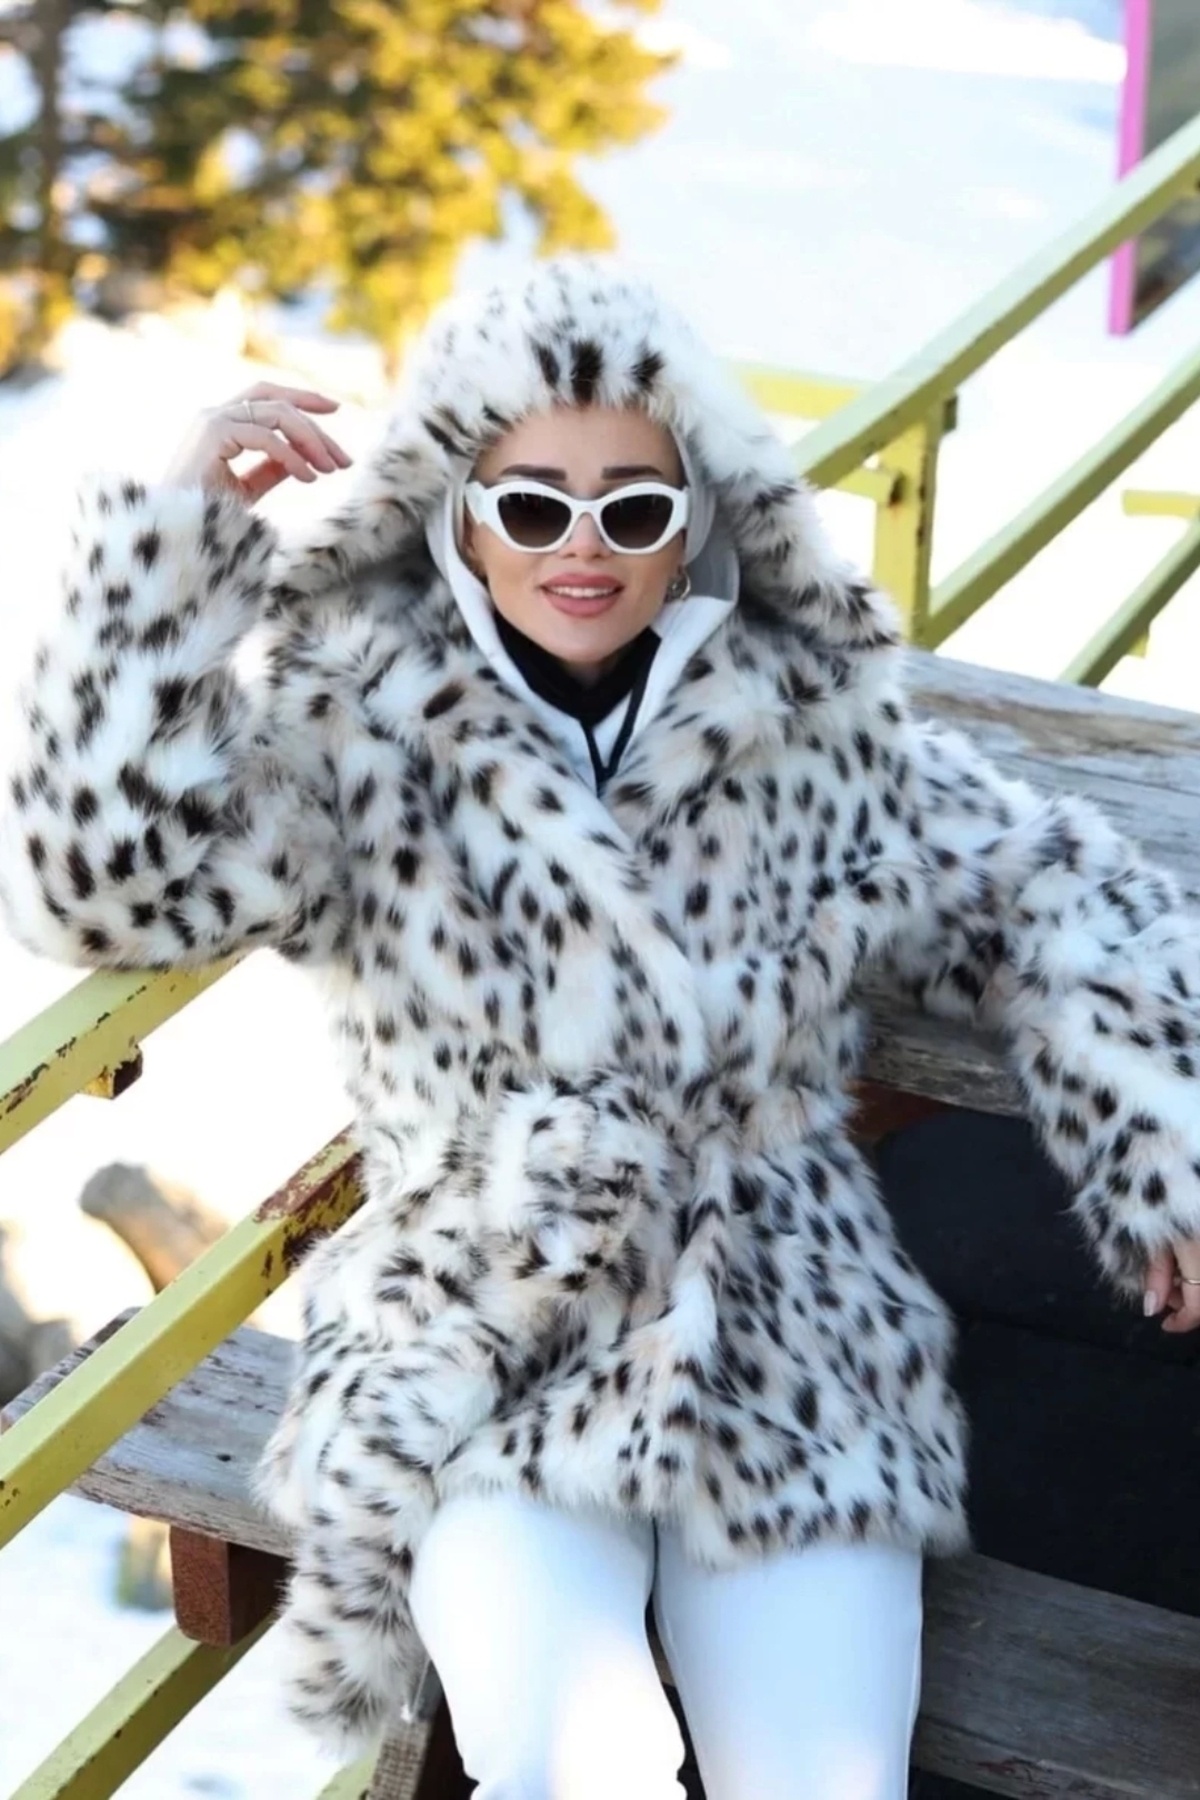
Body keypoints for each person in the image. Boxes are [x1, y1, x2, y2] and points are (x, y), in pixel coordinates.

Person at [2, 257, 1199, 1800]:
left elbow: (1062, 893)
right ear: (460, 515)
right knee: (576, 1766)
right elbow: (98, 883)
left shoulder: (806, 738)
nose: (582, 545)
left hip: (785, 1320)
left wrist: (1154, 1134)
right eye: (532, 503)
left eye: (633, 508)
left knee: (825, 1782)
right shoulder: (356, 737)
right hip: (477, 1320)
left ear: (691, 523)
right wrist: (172, 546)